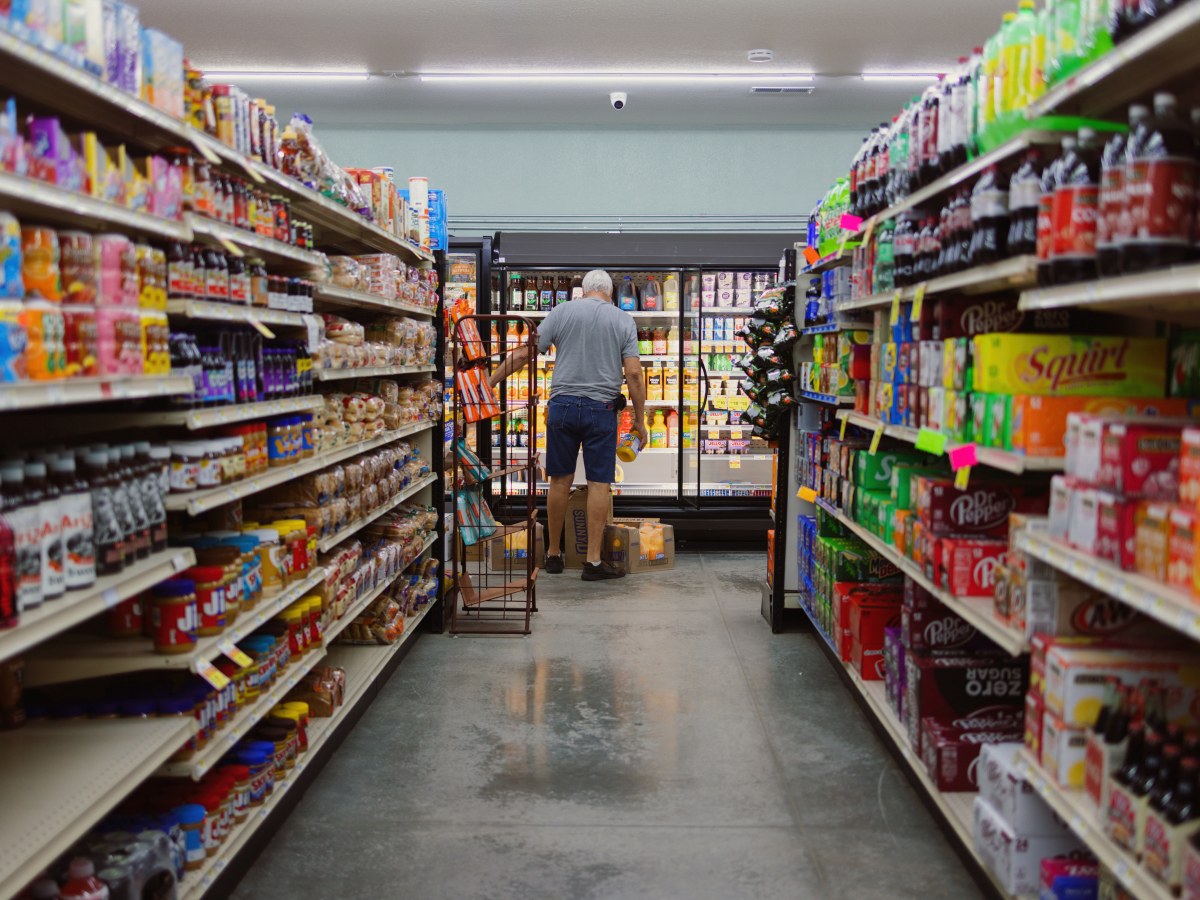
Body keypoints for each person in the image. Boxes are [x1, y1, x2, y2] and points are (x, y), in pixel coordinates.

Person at [488, 269, 647, 581]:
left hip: (561, 408)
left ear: (583, 291)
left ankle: (553, 554)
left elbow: (525, 354)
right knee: (600, 484)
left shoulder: (560, 312)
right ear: (610, 293)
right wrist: (639, 420)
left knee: (560, 481)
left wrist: (489, 381)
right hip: (601, 410)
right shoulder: (622, 319)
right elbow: (633, 374)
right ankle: (593, 562)